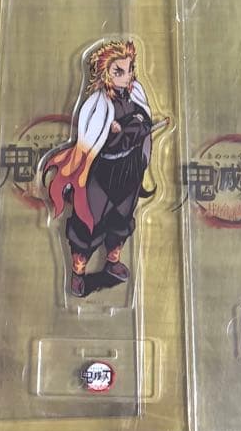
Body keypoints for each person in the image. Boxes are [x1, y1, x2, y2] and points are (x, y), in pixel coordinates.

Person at [44, 40, 159, 298]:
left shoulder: (135, 94)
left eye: (129, 69)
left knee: (122, 218)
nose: (127, 76)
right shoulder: (96, 105)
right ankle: (78, 274)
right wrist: (124, 129)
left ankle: (113, 262)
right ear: (105, 72)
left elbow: (144, 124)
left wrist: (132, 126)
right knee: (88, 223)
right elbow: (96, 137)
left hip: (129, 168)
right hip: (102, 172)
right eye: (119, 71)